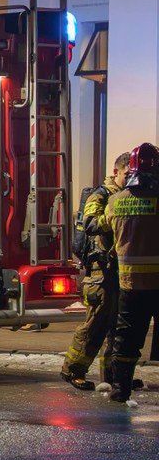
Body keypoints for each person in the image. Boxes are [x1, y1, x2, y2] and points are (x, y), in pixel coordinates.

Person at [63, 153, 130, 389]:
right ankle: (73, 370)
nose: (130, 178)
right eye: (127, 174)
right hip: (100, 271)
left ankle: (112, 375)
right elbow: (90, 224)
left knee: (117, 326)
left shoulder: (128, 196)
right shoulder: (101, 195)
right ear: (116, 172)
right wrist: (114, 215)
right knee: (96, 324)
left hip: (118, 270)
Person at [103, 143, 159, 403]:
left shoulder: (115, 201)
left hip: (130, 284)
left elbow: (103, 226)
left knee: (126, 338)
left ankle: (119, 389)